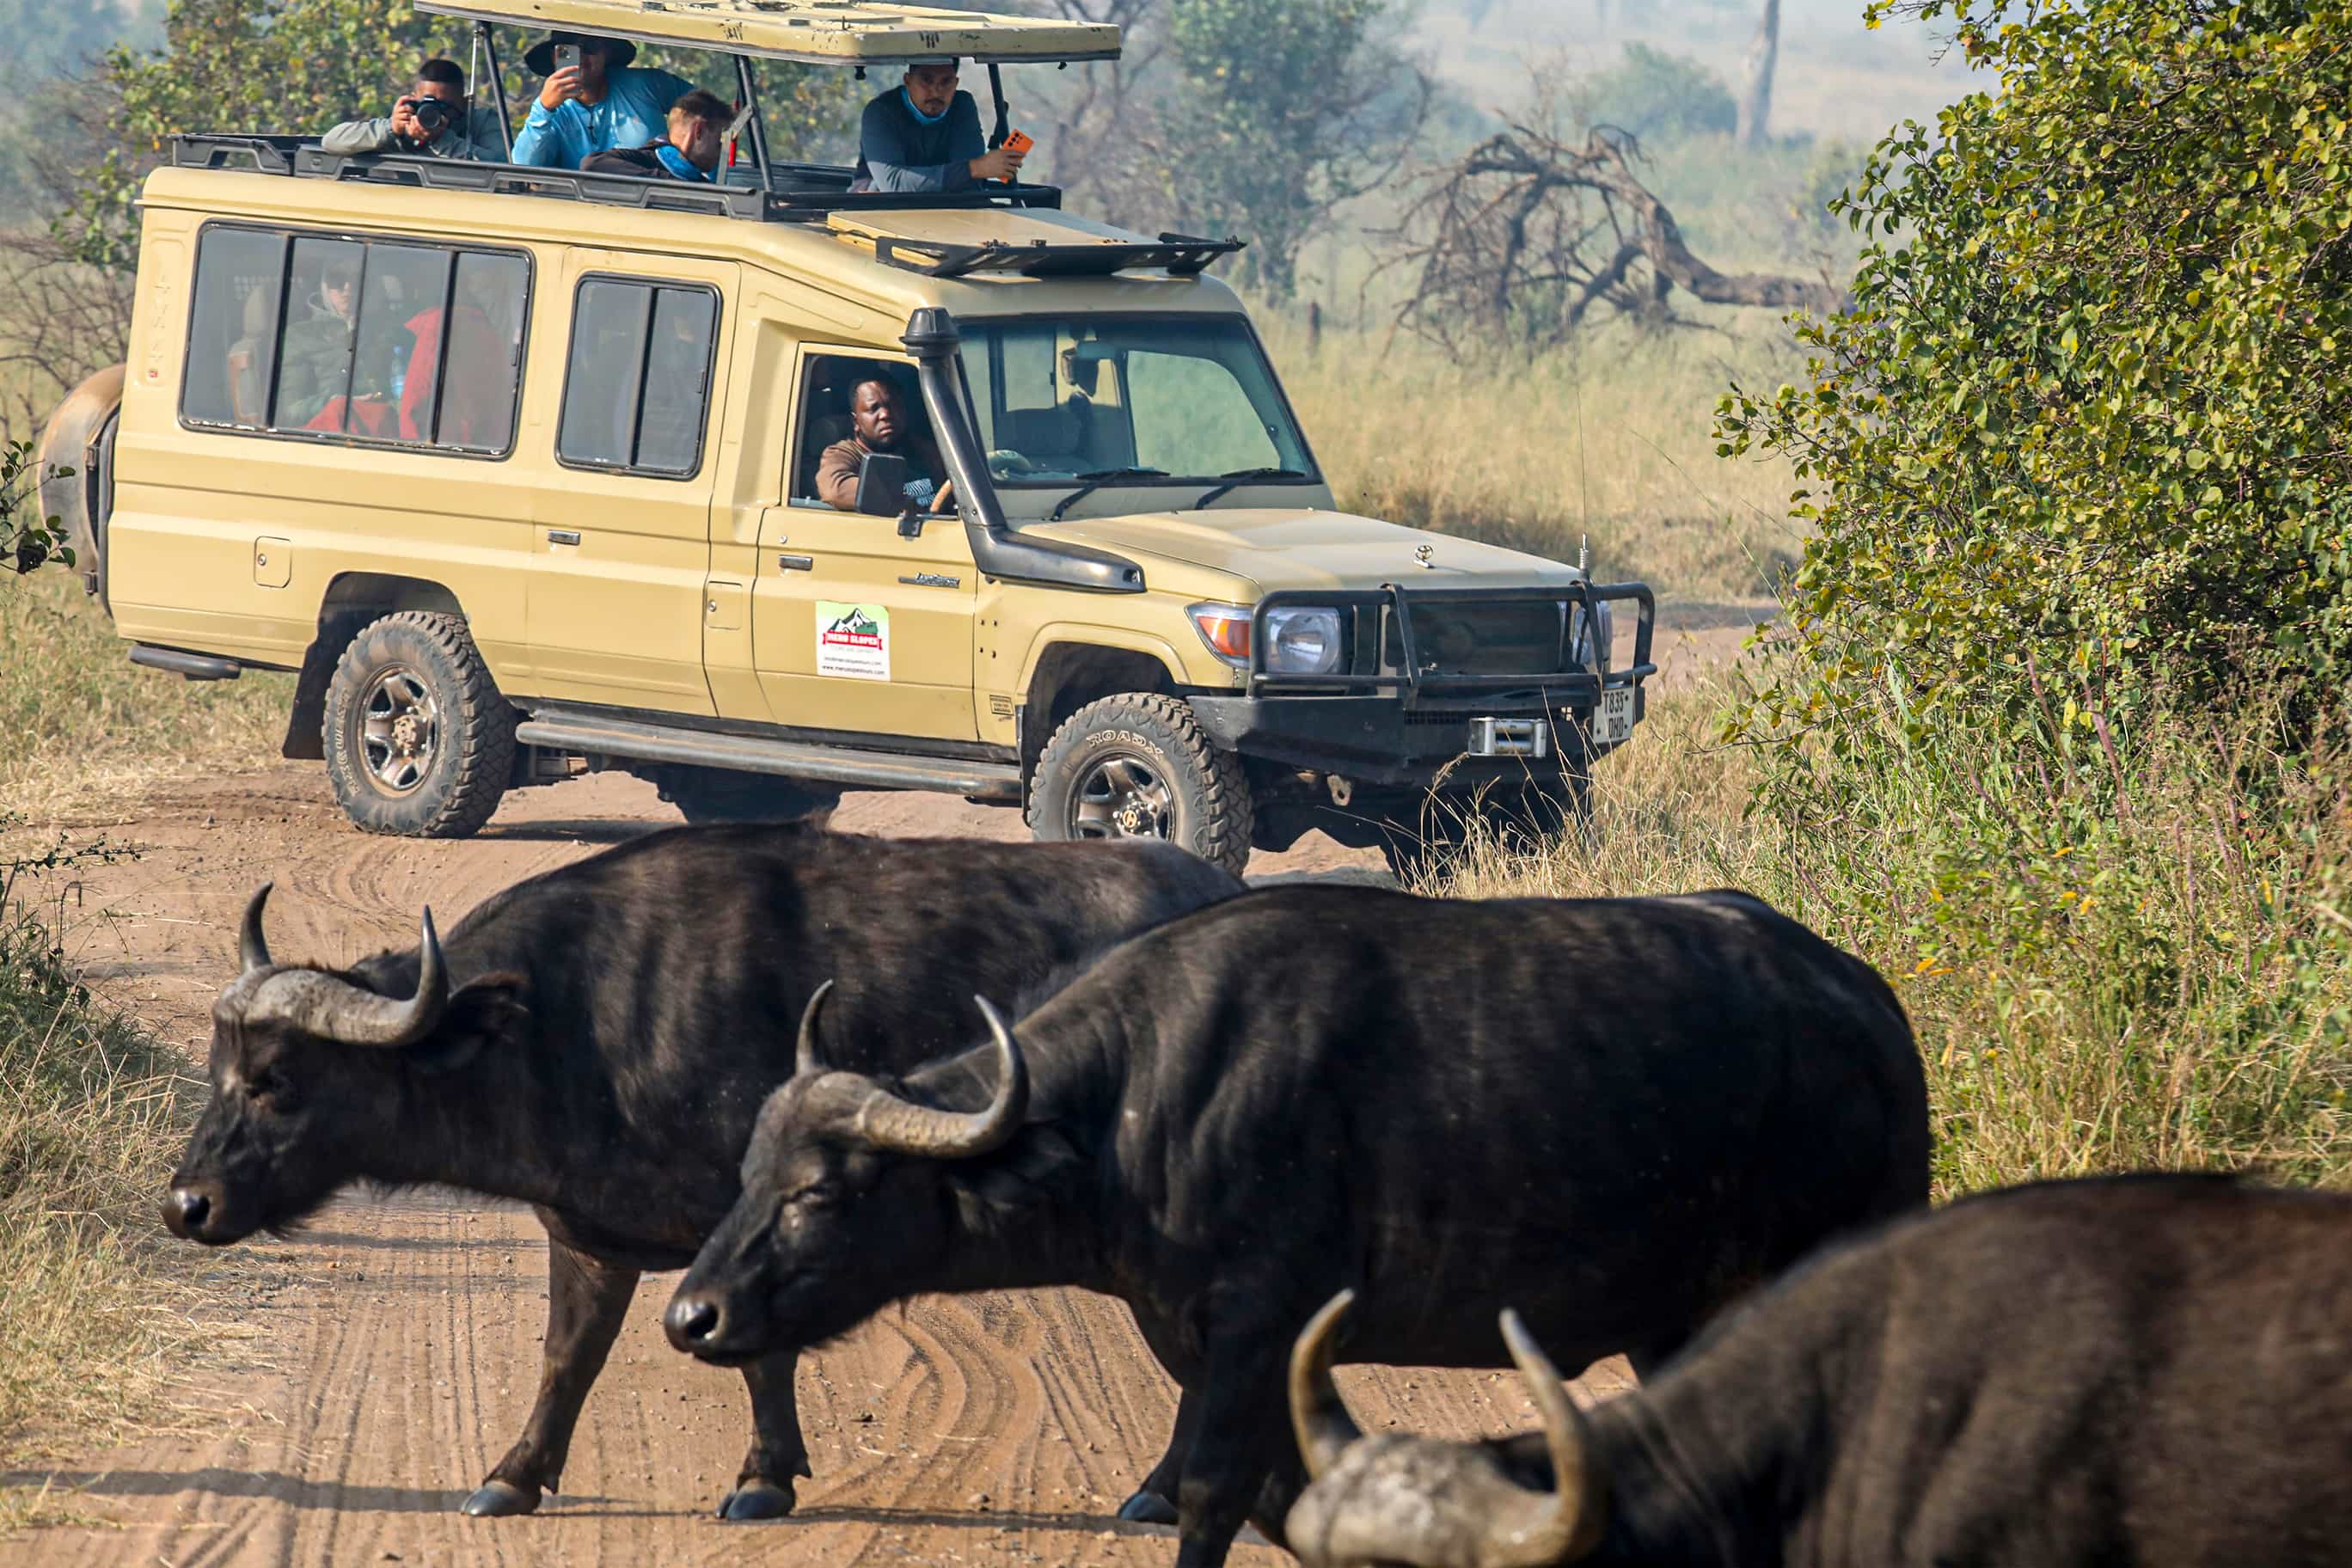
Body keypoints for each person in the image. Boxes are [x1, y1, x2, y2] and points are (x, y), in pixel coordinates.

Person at [510, 32, 693, 170]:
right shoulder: (549, 112)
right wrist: (544, 108)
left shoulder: (647, 85)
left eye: (589, 46)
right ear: (554, 56)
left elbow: (710, 111)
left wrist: (681, 144)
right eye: (568, 50)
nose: (580, 57)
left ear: (608, 53)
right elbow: (523, 166)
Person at [852, 59, 1026, 193]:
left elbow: (969, 183)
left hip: (946, 214)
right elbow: (893, 183)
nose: (936, 92)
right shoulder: (881, 111)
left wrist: (974, 170)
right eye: (926, 80)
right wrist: (975, 168)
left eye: (946, 82)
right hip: (876, 214)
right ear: (908, 81)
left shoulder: (961, 105)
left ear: (956, 83)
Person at [322, 58, 506, 162]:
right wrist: (390, 129)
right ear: (412, 99)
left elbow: (502, 165)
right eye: (427, 103)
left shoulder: (481, 121)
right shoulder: (401, 122)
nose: (435, 112)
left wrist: (442, 141)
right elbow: (331, 142)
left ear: (465, 104)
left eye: (446, 106)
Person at [817, 375, 949, 511]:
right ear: (856, 422)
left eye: (892, 406)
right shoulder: (843, 454)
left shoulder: (922, 449)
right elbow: (835, 489)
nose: (885, 414)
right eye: (874, 409)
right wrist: (898, 500)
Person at [275, 255, 361, 429]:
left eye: (357, 279)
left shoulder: (387, 331)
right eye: (337, 280)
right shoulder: (300, 336)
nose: (347, 288)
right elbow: (292, 411)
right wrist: (336, 402)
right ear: (325, 288)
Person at [581, 90, 730, 182]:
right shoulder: (644, 160)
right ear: (699, 131)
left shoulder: (701, 186)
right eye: (719, 139)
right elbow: (591, 165)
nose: (723, 149)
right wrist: (667, 184)